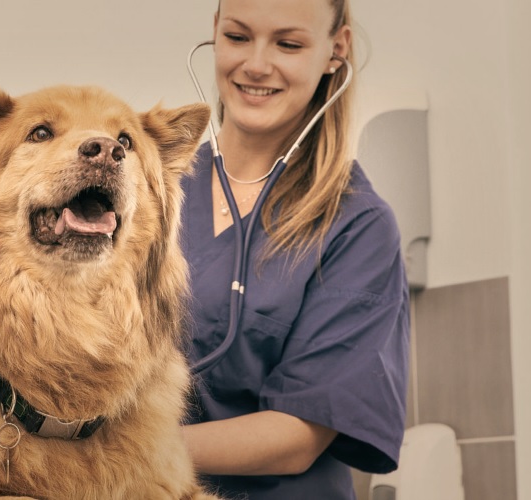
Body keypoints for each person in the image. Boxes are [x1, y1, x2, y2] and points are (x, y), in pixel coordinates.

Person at [180, 0, 410, 498]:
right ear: (215, 31)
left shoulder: (357, 225)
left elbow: (297, 435)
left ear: (336, 50)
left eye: (288, 44)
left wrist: (112, 450)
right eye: (239, 37)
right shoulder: (152, 191)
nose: (256, 64)